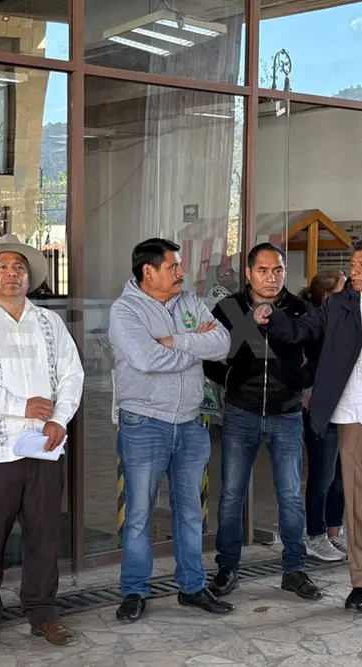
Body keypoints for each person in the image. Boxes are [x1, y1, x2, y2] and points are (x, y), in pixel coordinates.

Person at [255, 238, 362, 613]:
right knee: (357, 506)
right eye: (352, 265)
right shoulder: (339, 303)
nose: (353, 271)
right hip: (354, 418)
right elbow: (300, 330)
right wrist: (271, 317)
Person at [0, 234, 84, 653]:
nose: (13, 273)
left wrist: (60, 419)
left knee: (44, 535)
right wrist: (22, 406)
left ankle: (43, 613)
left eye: (20, 267)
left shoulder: (50, 323)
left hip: (44, 448)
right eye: (3, 267)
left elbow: (72, 375)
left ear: (30, 278)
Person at [108, 238, 232, 623]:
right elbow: (145, 358)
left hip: (192, 423)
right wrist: (195, 348)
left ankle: (193, 587)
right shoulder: (125, 310)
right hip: (144, 423)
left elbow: (223, 342)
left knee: (191, 511)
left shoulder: (191, 303)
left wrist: (176, 341)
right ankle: (134, 590)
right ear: (149, 271)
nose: (181, 273)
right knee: (140, 513)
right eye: (173, 266)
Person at [202, 243, 322, 600]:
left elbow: (318, 353)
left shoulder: (301, 310)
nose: (272, 277)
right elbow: (211, 357)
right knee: (232, 495)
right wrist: (230, 379)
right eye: (264, 271)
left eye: (278, 270)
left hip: (286, 415)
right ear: (250, 273)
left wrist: (299, 381)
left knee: (289, 495)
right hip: (241, 413)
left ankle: (295, 570)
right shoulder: (229, 309)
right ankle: (227, 568)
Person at [297, 269, 347, 561]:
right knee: (322, 476)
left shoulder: (345, 323)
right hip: (319, 410)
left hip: (345, 410)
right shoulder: (313, 325)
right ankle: (315, 535)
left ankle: (333, 532)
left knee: (341, 476)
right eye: (344, 290)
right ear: (328, 297)